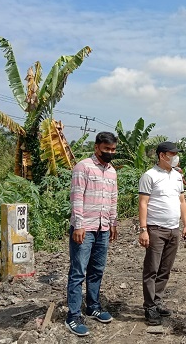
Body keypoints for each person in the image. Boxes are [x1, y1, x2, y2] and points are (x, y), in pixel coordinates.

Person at [66, 132, 118, 337]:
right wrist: (79, 225)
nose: (110, 153)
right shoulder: (83, 167)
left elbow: (113, 199)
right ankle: (73, 315)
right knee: (78, 271)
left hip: (103, 228)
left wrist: (113, 223)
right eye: (107, 149)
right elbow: (76, 198)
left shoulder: (112, 171)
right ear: (97, 147)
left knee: (97, 269)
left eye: (113, 150)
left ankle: (93, 306)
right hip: (84, 228)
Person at [138, 141, 186, 326]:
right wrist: (143, 230)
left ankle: (157, 301)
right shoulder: (149, 176)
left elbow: (182, 201)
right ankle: (149, 306)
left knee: (165, 269)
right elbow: (143, 203)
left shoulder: (177, 176)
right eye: (172, 154)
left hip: (173, 229)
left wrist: (185, 226)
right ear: (162, 155)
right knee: (151, 268)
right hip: (155, 229)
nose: (176, 157)